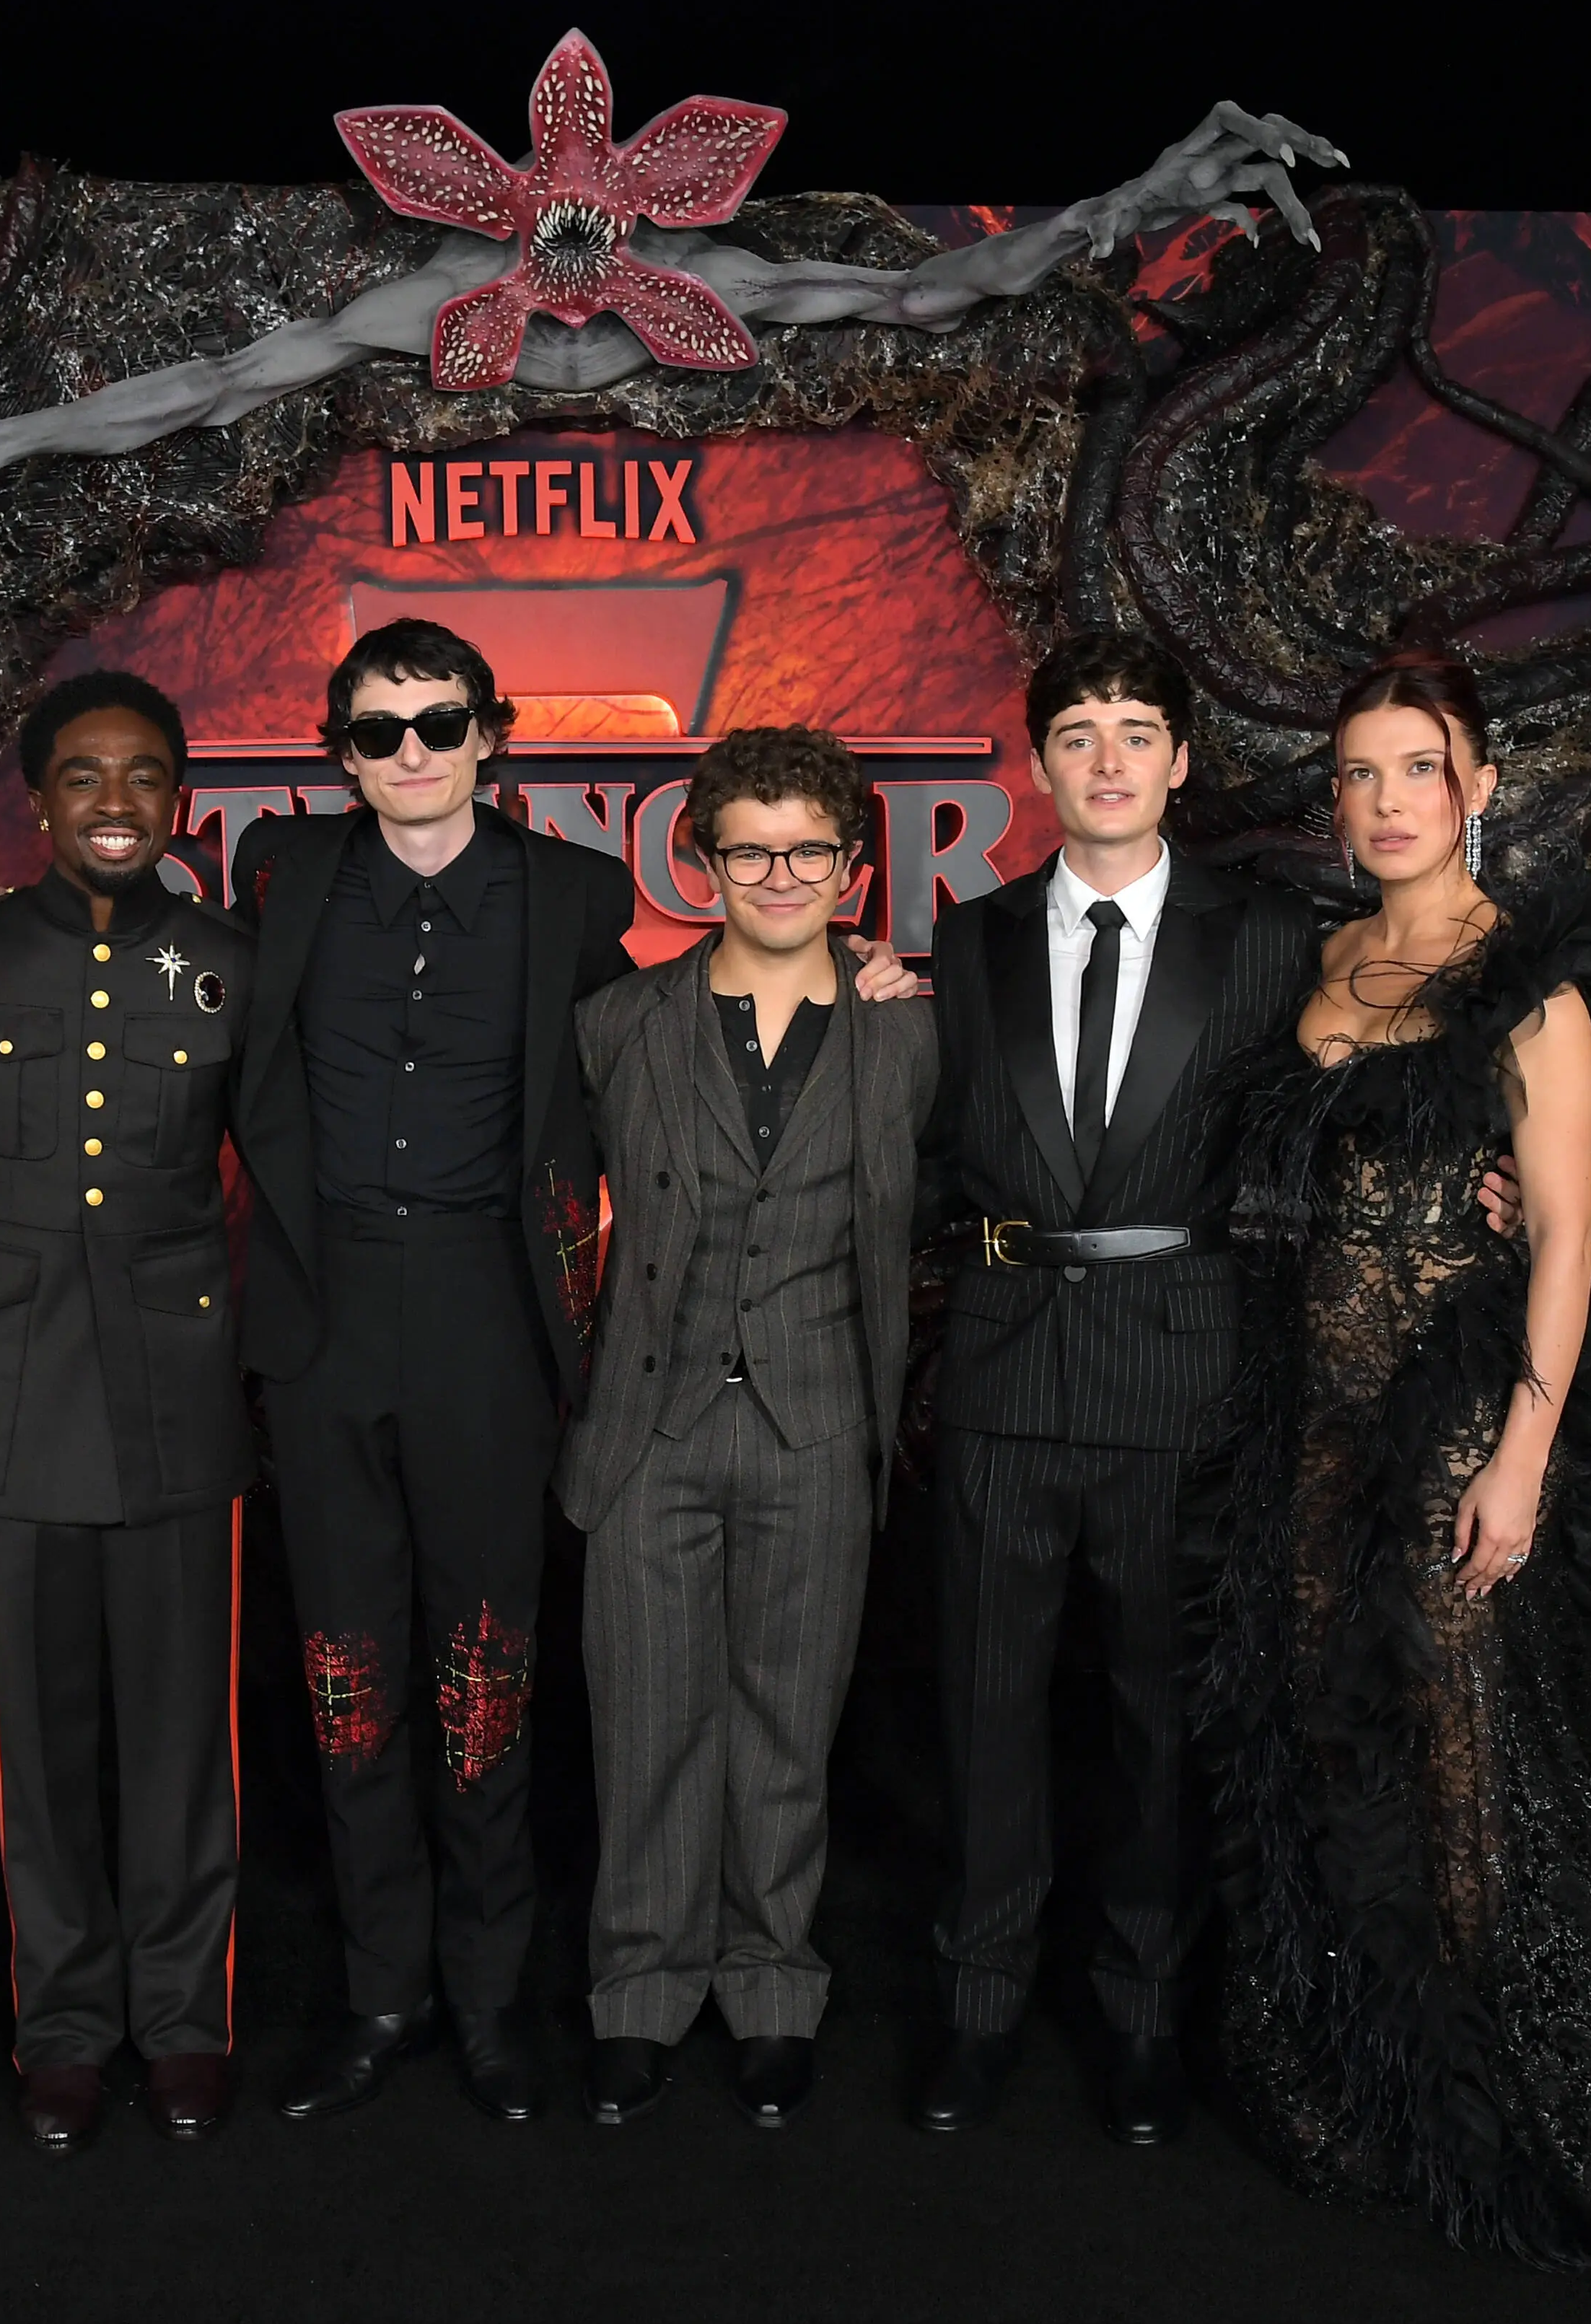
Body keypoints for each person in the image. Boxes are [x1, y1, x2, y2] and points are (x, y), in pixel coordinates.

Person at [1181, 648, 1591, 2318]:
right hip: (1307, 1419)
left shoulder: (1528, 985)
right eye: (1357, 772)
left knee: (1459, 1738)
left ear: (1478, 790)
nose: (1385, 799)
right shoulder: (1326, 959)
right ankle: (1382, 2071)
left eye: (1418, 769)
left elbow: (1561, 1234)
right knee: (1328, 1735)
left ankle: (1502, 2090)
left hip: (1447, 1418)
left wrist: (1523, 1452)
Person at [224, 618, 638, 2125]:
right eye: (378, 732)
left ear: (491, 734)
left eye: (439, 724)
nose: (412, 753)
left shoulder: (578, 896)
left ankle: (485, 2003)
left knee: (484, 1680)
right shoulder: (278, 874)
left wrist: (856, 976)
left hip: (487, 1316)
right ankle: (379, 1994)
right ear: (338, 753)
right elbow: (147, 955)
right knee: (348, 1685)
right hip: (319, 1317)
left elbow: (672, 1034)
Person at [908, 630, 1315, 2147]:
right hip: (1005, 1371)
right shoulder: (969, 937)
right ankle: (976, 2008)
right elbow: (939, 1144)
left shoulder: (1268, 937)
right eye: (1076, 733)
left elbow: (1320, 1128)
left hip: (1180, 1373)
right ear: (1037, 762)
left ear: (1182, 759)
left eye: (1136, 730)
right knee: (982, 1713)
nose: (1106, 759)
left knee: (1159, 1721)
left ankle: (1146, 2017)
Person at [558, 729, 939, 2128]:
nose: (780, 874)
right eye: (750, 849)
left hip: (818, 1423)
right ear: (699, 860)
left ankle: (774, 1981)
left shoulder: (907, 1028)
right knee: (646, 1724)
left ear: (851, 868)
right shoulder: (621, 1025)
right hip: (648, 1426)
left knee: (786, 1727)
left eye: (810, 851)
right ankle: (641, 1991)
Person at [0, 671, 255, 2155]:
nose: (118, 804)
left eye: (146, 777)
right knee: (36, 1749)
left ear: (179, 799)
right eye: (85, 778)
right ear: (36, 801)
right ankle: (61, 2027)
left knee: (183, 1736)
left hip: (183, 1398)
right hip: (19, 1394)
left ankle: (182, 2022)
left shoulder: (240, 963)